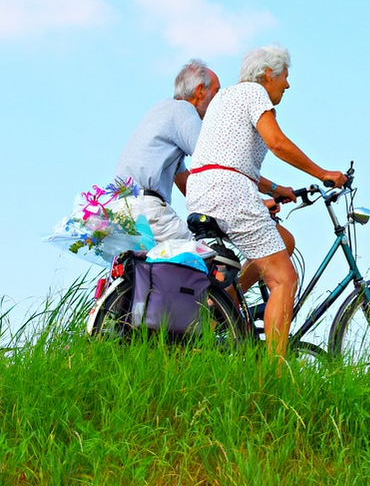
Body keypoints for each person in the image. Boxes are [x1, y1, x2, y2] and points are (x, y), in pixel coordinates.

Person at [186, 45, 346, 355]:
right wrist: (321, 173)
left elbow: (226, 158)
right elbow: (277, 143)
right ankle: (274, 376)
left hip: (204, 190)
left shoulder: (226, 98)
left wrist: (274, 189)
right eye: (285, 76)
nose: (287, 84)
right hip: (229, 192)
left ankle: (225, 307)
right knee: (284, 279)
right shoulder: (255, 93)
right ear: (269, 74)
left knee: (282, 240)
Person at [114, 59, 220, 243]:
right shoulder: (184, 111)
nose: (218, 100)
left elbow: (184, 181)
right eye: (217, 92)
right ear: (200, 90)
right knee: (204, 259)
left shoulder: (162, 110)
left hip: (121, 209)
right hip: (146, 209)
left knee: (152, 269)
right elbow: (216, 162)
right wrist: (254, 201)